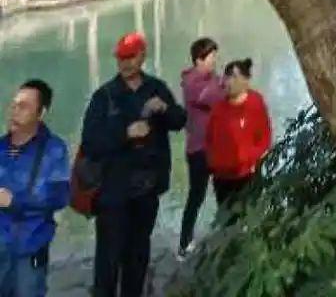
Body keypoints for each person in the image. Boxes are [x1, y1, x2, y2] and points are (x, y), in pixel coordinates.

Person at [82, 32, 186, 297]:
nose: (125, 63)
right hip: (112, 193)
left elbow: (180, 121)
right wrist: (125, 133)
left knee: (138, 255)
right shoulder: (104, 96)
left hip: (147, 189)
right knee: (108, 259)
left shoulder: (156, 88)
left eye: (130, 57)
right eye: (121, 58)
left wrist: (165, 109)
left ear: (142, 56)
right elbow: (90, 142)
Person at [0, 81, 69, 297]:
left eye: (23, 106)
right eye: (14, 105)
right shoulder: (1, 147)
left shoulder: (54, 150)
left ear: (41, 113)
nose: (15, 111)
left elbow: (59, 196)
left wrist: (15, 201)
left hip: (30, 250)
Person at [178, 38, 224, 258]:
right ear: (199, 60)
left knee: (224, 191)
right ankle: (184, 243)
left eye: (215, 57)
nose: (214, 61)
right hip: (198, 150)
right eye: (211, 57)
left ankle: (229, 233)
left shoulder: (212, 78)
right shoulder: (191, 83)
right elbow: (215, 97)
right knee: (196, 196)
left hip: (217, 147)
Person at [204, 60, 272, 208]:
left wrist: (252, 159)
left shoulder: (255, 103)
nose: (229, 81)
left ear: (245, 80)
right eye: (227, 77)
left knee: (248, 214)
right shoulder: (218, 108)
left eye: (234, 77)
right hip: (222, 178)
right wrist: (211, 163)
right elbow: (209, 139)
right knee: (226, 217)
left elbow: (265, 138)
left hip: (247, 175)